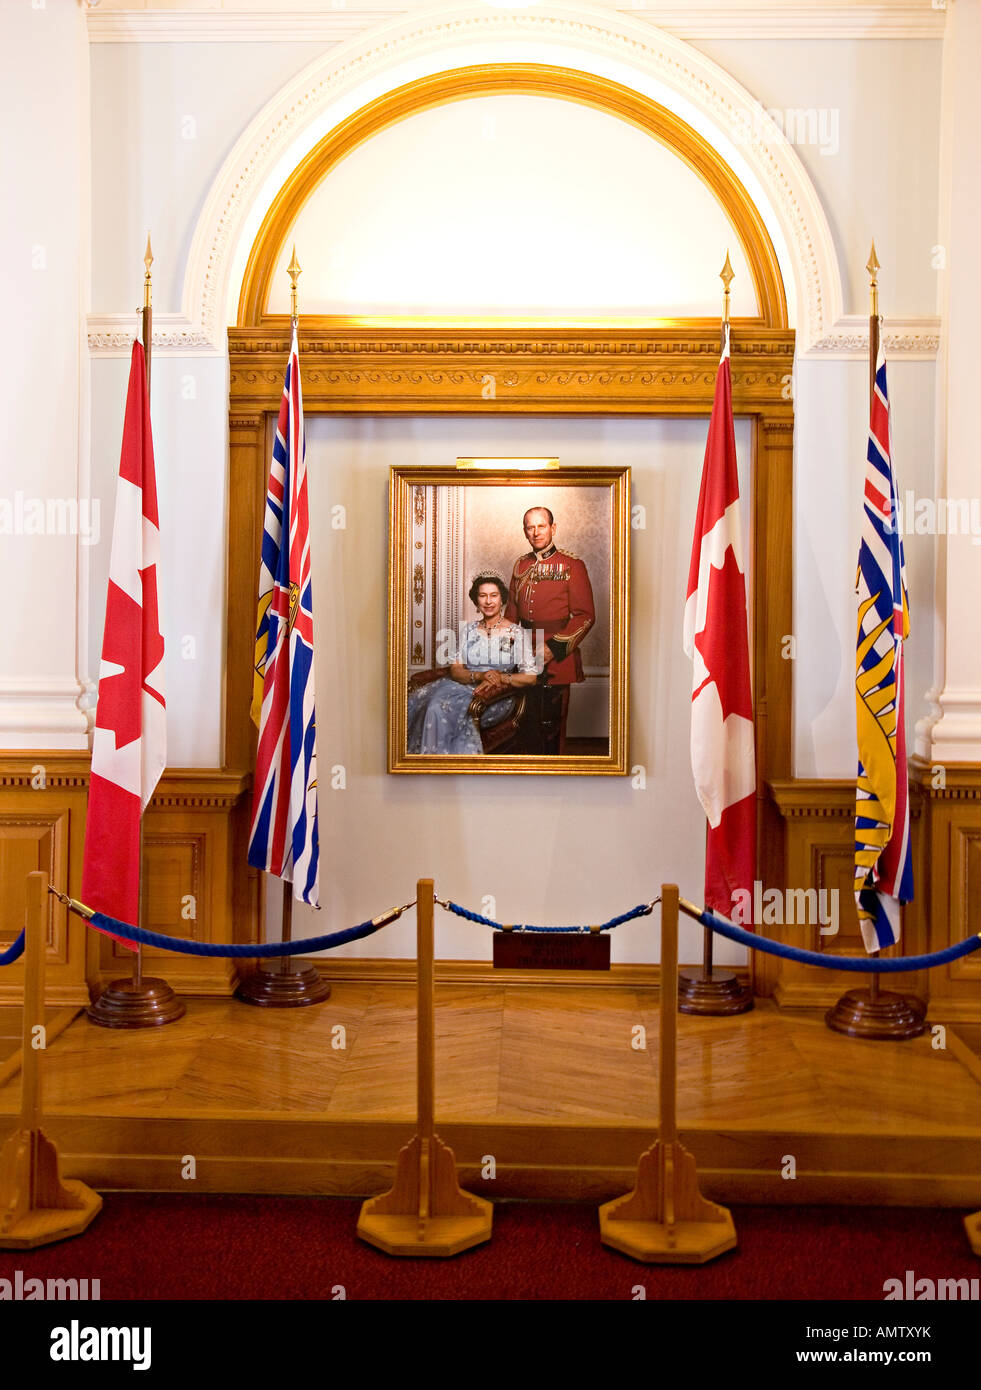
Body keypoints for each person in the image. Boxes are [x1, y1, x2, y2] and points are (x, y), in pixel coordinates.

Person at [407, 574, 541, 754]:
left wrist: (500, 677)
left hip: (495, 696)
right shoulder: (468, 630)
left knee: (437, 708)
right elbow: (456, 669)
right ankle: (429, 766)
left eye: (493, 595)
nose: (488, 601)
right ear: (476, 600)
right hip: (459, 685)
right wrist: (479, 675)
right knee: (424, 703)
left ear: (502, 599)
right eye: (482, 595)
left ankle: (446, 767)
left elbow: (531, 678)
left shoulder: (516, 633)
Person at [505, 506, 595, 754]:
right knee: (523, 727)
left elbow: (585, 616)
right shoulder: (520, 565)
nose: (536, 532)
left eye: (541, 526)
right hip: (522, 656)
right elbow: (511, 616)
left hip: (556, 659)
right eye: (530, 527)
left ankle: (554, 781)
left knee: (550, 730)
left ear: (553, 528)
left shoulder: (572, 565)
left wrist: (551, 649)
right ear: (525, 532)